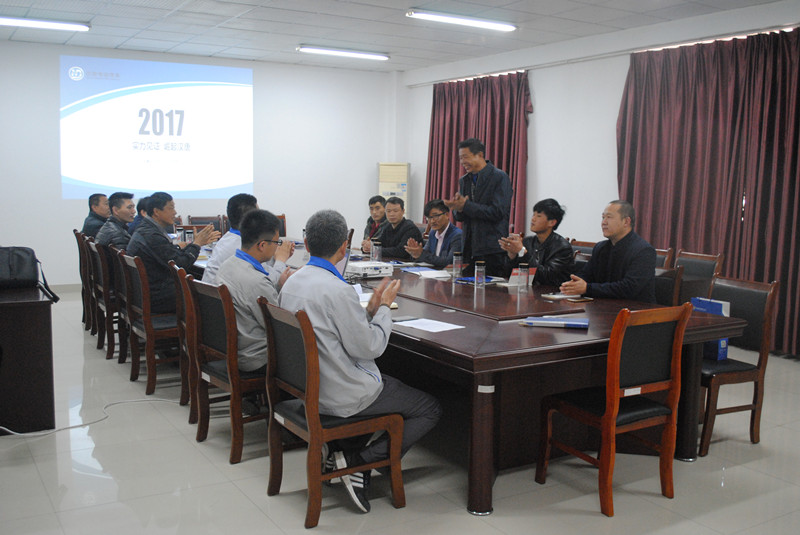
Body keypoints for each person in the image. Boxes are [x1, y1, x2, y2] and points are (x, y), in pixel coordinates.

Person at [279, 210, 441, 514]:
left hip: (307, 389)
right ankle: (359, 462)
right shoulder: (336, 289)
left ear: (306, 244)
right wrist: (384, 309)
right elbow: (371, 347)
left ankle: (343, 454)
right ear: (345, 247)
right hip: (341, 394)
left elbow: (331, 330)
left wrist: (367, 312)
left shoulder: (292, 282)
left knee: (391, 385)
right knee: (429, 408)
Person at [217, 210, 292, 373]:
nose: (277, 247)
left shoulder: (227, 265)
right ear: (262, 245)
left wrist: (278, 285)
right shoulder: (257, 281)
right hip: (258, 359)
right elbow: (280, 329)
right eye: (276, 243)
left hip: (235, 350)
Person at [127, 192, 221, 313]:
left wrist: (194, 244)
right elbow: (180, 264)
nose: (175, 212)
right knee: (213, 297)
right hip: (158, 297)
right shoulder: (152, 235)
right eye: (171, 208)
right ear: (156, 211)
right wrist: (196, 244)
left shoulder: (146, 229)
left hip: (148, 292)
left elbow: (170, 255)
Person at [560, 200, 656, 303]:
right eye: (603, 217)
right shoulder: (600, 248)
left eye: (609, 217)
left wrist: (587, 288)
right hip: (602, 305)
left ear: (626, 221)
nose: (603, 222)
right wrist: (574, 284)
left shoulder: (644, 251)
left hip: (636, 309)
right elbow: (587, 274)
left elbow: (629, 288)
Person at [444, 138, 512, 277]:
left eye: (465, 157)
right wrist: (458, 209)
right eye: (460, 158)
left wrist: (466, 206)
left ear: (480, 155)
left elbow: (497, 212)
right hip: (469, 248)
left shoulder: (499, 177)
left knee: (490, 289)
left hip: (492, 249)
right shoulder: (464, 180)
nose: (462, 162)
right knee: (464, 288)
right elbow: (460, 217)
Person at [202, 193, 293, 285]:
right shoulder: (243, 246)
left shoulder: (227, 239)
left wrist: (273, 252)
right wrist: (281, 259)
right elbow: (272, 281)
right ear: (251, 220)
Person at [499, 198, 574, 286]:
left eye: (538, 216)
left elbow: (547, 277)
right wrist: (512, 255)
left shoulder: (562, 247)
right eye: (533, 215)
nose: (533, 219)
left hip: (552, 291)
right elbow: (508, 274)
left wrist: (523, 252)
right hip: (528, 290)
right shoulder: (527, 242)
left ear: (552, 222)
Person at [404, 199, 462, 269]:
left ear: (447, 215)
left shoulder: (457, 235)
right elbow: (426, 254)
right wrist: (415, 254)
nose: (432, 221)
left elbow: (449, 262)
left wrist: (421, 254)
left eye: (436, 216)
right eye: (429, 218)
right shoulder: (433, 233)